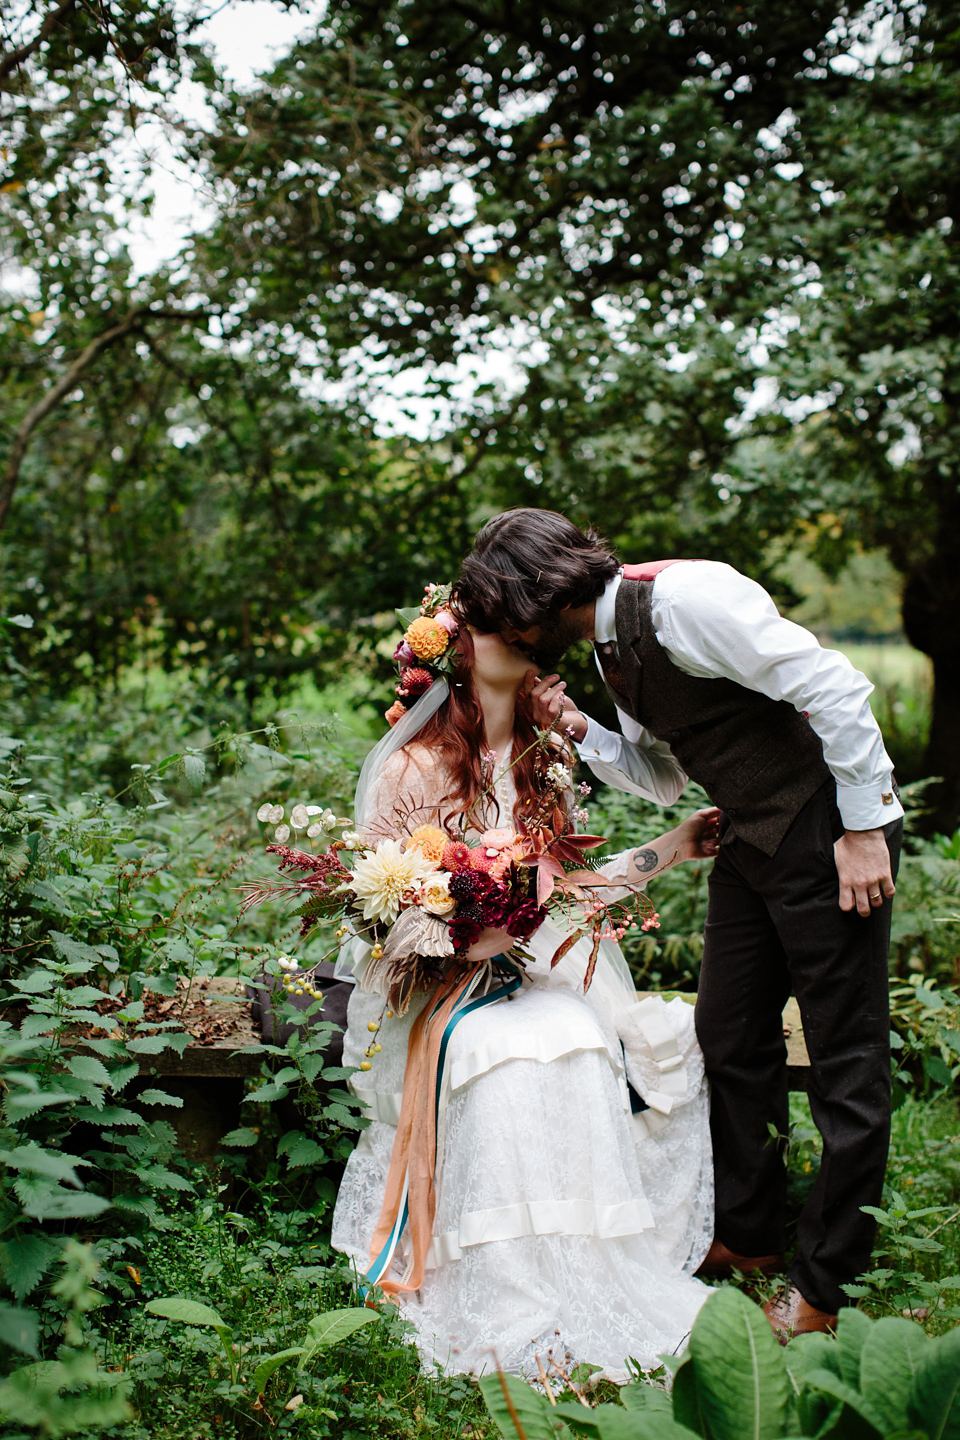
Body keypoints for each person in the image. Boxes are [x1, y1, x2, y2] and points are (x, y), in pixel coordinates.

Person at [451, 508, 904, 1343]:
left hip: (825, 833)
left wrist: (866, 829)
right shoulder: (607, 647)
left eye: (500, 612)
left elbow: (831, 683)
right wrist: (580, 729)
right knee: (728, 1034)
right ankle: (752, 1234)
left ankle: (825, 1286)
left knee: (847, 1061)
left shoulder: (684, 599)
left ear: (533, 596)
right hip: (748, 840)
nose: (501, 633)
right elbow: (663, 778)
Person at [330, 620, 719, 1380]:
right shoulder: (411, 768)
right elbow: (371, 913)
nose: (524, 636)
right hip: (438, 994)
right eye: (493, 626)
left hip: (534, 977)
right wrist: (458, 936)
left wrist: (672, 847)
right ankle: (505, 1296)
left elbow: (567, 901)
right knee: (498, 1053)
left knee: (573, 1035)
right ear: (458, 654)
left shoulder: (547, 763)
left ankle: (582, 1278)